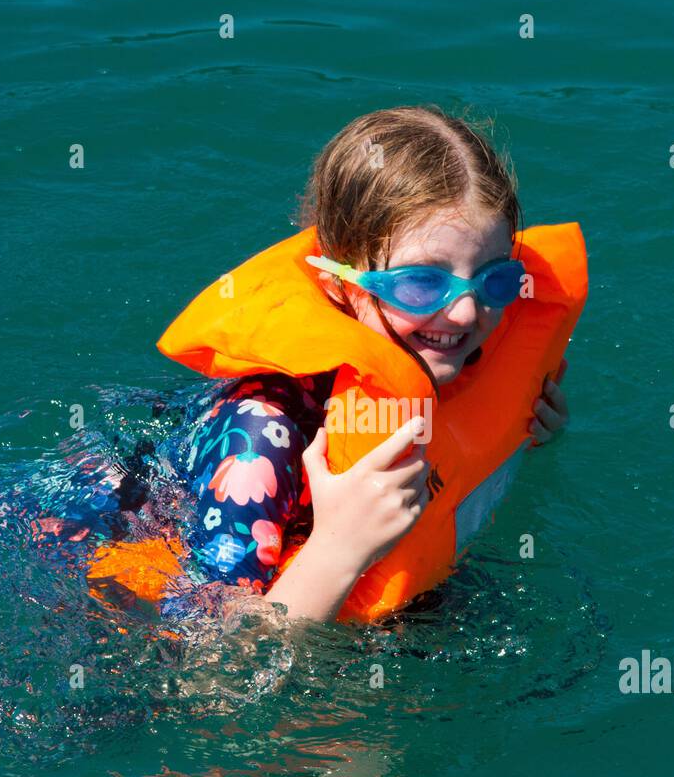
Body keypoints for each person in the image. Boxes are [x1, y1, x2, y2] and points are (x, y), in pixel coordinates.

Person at [178, 105, 573, 623]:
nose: (466, 311)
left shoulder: (467, 358)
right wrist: (340, 548)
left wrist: (531, 428)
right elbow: (206, 674)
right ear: (340, 283)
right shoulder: (260, 440)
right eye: (421, 282)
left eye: (493, 279)